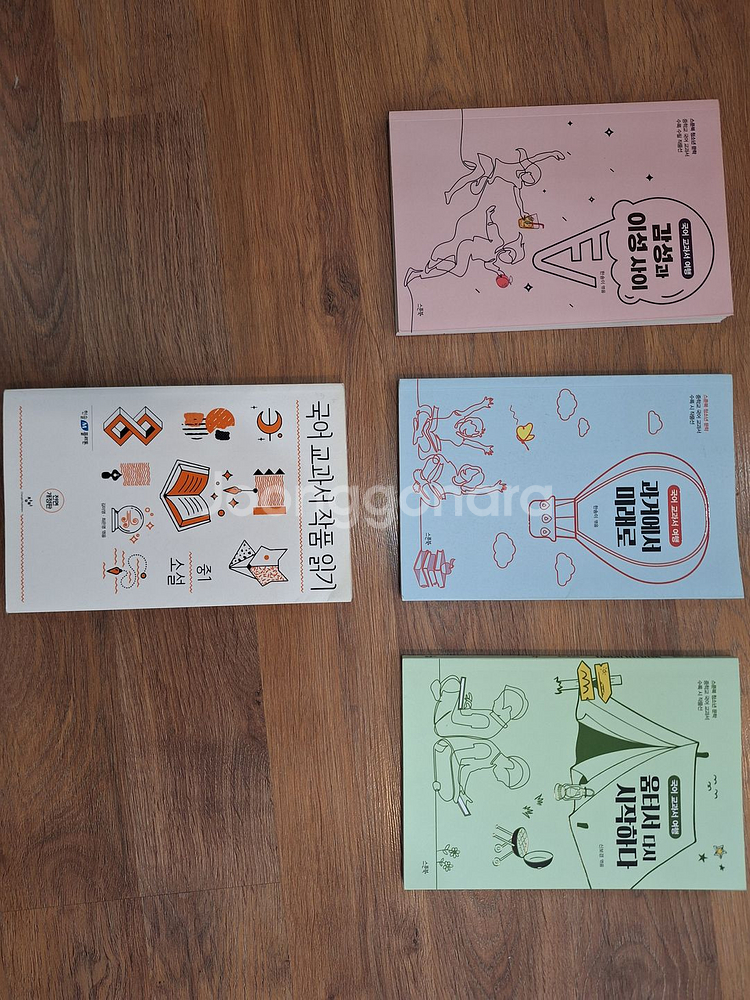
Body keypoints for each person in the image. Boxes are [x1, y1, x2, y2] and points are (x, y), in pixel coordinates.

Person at [444, 146, 565, 216]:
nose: (529, 180)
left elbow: (518, 198)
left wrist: (522, 211)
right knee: (474, 176)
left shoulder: (517, 183)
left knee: (476, 188)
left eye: (530, 182)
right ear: (529, 172)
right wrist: (552, 153)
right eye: (531, 177)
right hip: (490, 163)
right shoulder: (522, 165)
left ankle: (453, 191)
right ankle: (450, 193)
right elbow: (537, 158)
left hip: (491, 174)